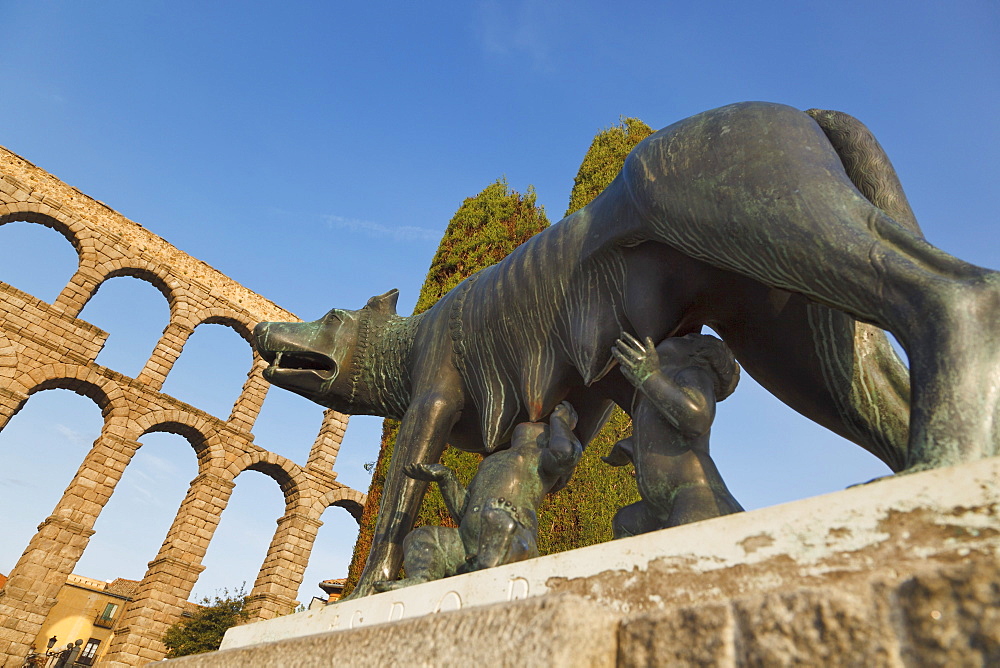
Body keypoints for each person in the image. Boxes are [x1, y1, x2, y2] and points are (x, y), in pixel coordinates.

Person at [374, 402, 582, 591]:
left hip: (514, 537)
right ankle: (422, 579)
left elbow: (566, 454)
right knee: (421, 537)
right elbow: (464, 511)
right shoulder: (492, 461)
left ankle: (488, 563)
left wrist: (560, 422)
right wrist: (446, 478)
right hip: (465, 544)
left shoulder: (541, 458)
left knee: (497, 521)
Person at [605, 332, 742, 537]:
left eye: (687, 340)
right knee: (625, 523)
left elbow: (697, 417)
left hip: (694, 495)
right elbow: (659, 438)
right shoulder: (660, 392)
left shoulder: (694, 373)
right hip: (661, 502)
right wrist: (630, 447)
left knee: (677, 548)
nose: (679, 339)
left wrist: (649, 376)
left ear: (698, 354)